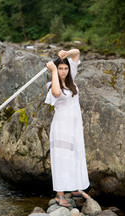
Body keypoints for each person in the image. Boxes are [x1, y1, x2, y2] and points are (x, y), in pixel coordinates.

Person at [45, 49, 90, 207]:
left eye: (65, 68)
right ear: (56, 70)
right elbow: (57, 93)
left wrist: (65, 53)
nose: (63, 71)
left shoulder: (72, 81)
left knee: (76, 155)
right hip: (61, 127)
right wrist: (52, 71)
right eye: (60, 69)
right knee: (62, 158)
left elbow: (77, 52)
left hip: (74, 127)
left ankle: (75, 186)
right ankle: (59, 195)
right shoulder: (52, 84)